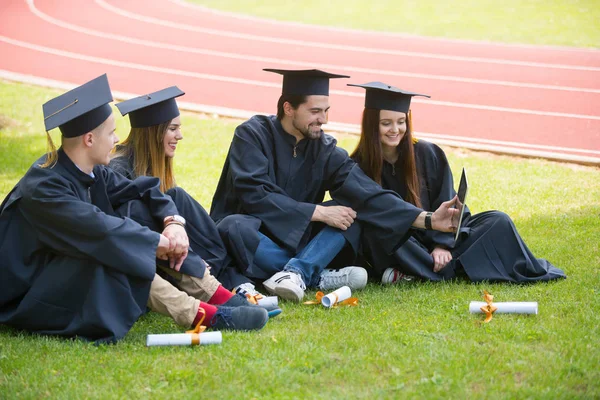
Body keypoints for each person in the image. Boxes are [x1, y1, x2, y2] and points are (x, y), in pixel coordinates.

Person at [0, 75, 268, 343]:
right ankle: (203, 315)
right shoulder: (46, 187)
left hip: (63, 272)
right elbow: (100, 230)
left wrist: (173, 222)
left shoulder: (86, 171)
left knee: (137, 219)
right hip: (29, 292)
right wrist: (158, 242)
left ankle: (218, 297)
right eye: (111, 132)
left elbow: (145, 188)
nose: (116, 139)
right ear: (90, 139)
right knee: (114, 250)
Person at [210, 69, 460, 302]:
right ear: (289, 108)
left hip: (300, 238)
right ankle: (315, 273)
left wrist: (427, 219)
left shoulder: (324, 148)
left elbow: (367, 193)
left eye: (327, 111)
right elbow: (255, 194)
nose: (324, 119)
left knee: (351, 210)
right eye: (316, 111)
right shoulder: (252, 134)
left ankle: (297, 272)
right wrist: (317, 212)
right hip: (255, 234)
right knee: (233, 226)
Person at [348, 81, 566, 283]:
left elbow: (447, 201)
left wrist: (442, 244)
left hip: (438, 238)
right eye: (386, 123)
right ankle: (441, 267)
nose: (395, 130)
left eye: (401, 122)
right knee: (377, 231)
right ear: (371, 124)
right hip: (403, 243)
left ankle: (417, 271)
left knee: (498, 220)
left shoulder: (427, 152)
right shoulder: (358, 165)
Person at [109, 87, 281, 315]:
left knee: (176, 197)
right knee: (175, 197)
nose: (179, 135)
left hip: (169, 256)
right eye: (172, 128)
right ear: (152, 132)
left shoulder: (148, 162)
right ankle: (225, 286)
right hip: (148, 260)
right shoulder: (119, 170)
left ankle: (233, 284)